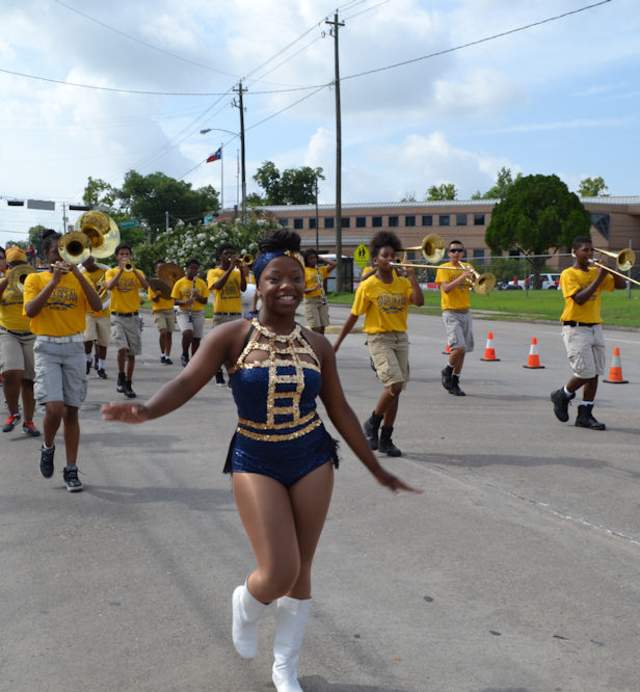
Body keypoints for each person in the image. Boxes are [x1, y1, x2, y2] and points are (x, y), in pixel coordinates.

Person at [102, 229, 419, 692]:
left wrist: (375, 467)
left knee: (302, 567)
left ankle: (284, 667)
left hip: (312, 454)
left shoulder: (317, 343)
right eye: (276, 278)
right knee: (277, 571)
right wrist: (147, 409)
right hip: (255, 455)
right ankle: (247, 604)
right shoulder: (232, 335)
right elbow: (188, 381)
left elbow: (340, 409)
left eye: (296, 277)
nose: (288, 286)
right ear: (258, 284)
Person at [23, 230, 102, 492]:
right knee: (54, 408)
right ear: (47, 254)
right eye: (57, 251)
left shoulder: (78, 279)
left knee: (71, 411)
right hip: (46, 348)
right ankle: (47, 446)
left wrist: (78, 273)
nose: (62, 255)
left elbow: (97, 305)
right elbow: (31, 310)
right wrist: (54, 282)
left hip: (74, 348)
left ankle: (71, 468)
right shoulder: (35, 278)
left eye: (67, 251)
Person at [333, 231, 424, 457]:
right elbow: (354, 316)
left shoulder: (403, 282)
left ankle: (386, 438)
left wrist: (413, 277)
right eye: (385, 255)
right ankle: (372, 423)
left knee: (397, 390)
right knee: (394, 385)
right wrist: (336, 345)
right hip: (378, 338)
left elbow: (419, 302)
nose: (390, 259)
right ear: (376, 260)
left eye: (393, 255)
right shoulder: (368, 285)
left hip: (400, 338)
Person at [550, 235, 626, 430]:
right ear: (574, 252)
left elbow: (621, 285)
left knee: (595, 374)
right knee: (585, 371)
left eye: (592, 250)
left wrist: (612, 268)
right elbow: (579, 299)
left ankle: (585, 414)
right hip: (575, 328)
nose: (590, 254)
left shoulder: (596, 271)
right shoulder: (569, 274)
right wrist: (600, 276)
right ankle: (563, 394)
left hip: (595, 326)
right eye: (585, 250)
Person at [0, 246, 40, 436]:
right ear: (7, 265)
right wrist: (8, 279)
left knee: (29, 381)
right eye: (13, 265)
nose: (17, 268)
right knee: (11, 372)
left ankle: (29, 421)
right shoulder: (2, 280)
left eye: (20, 264)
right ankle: (14, 413)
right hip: (8, 332)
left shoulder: (32, 279)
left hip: (31, 333)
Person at [104, 244, 149, 399]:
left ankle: (128, 383)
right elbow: (109, 286)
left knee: (132, 354)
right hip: (117, 316)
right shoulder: (111, 272)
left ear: (131, 256)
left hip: (133, 317)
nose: (124, 256)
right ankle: (121, 375)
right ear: (117, 257)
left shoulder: (138, 272)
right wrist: (122, 270)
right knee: (122, 347)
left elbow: (146, 286)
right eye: (122, 254)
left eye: (127, 254)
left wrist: (134, 270)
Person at [435, 240, 476, 397]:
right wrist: (462, 277)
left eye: (459, 250)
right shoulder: (444, 268)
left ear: (463, 252)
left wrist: (472, 279)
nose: (456, 253)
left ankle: (455, 381)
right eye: (453, 251)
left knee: (463, 350)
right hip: (451, 312)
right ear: (449, 253)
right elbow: (446, 288)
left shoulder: (468, 267)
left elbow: (473, 286)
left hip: (465, 311)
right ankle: (447, 370)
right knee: (458, 347)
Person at [207, 244, 247, 386]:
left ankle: (232, 375)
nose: (230, 256)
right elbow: (217, 286)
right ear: (220, 257)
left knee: (236, 347)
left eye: (232, 253)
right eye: (226, 253)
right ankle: (218, 372)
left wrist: (241, 271)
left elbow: (243, 288)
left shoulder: (236, 272)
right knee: (220, 347)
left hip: (235, 314)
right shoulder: (213, 272)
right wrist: (230, 269)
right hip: (221, 314)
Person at [171, 259, 208, 367]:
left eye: (196, 268)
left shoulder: (201, 283)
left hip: (198, 312)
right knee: (188, 333)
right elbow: (174, 300)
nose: (193, 270)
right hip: (184, 312)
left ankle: (194, 359)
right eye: (191, 268)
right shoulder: (180, 282)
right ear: (186, 269)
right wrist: (183, 302)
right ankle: (185, 354)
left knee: (196, 338)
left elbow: (205, 301)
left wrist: (198, 296)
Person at [81, 255, 110, 379]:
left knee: (103, 342)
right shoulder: (81, 275)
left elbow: (111, 290)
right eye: (83, 259)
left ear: (93, 259)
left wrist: (104, 305)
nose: (85, 262)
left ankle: (101, 367)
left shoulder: (105, 271)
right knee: (88, 339)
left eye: (88, 258)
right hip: (88, 312)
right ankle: (88, 360)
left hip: (104, 313)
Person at [148, 259, 176, 365]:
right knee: (163, 332)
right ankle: (162, 353)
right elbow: (153, 299)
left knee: (169, 334)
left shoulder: (171, 282)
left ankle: (167, 356)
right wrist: (158, 294)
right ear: (156, 270)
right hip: (158, 311)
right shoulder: (153, 283)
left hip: (170, 310)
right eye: (159, 268)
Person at [303, 250, 336, 334]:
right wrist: (312, 289)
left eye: (314, 258)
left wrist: (321, 258)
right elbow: (301, 289)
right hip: (311, 301)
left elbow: (334, 264)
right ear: (306, 260)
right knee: (315, 326)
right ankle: (315, 344)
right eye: (310, 258)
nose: (313, 260)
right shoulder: (303, 271)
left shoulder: (320, 270)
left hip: (322, 299)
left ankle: (321, 344)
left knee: (323, 326)